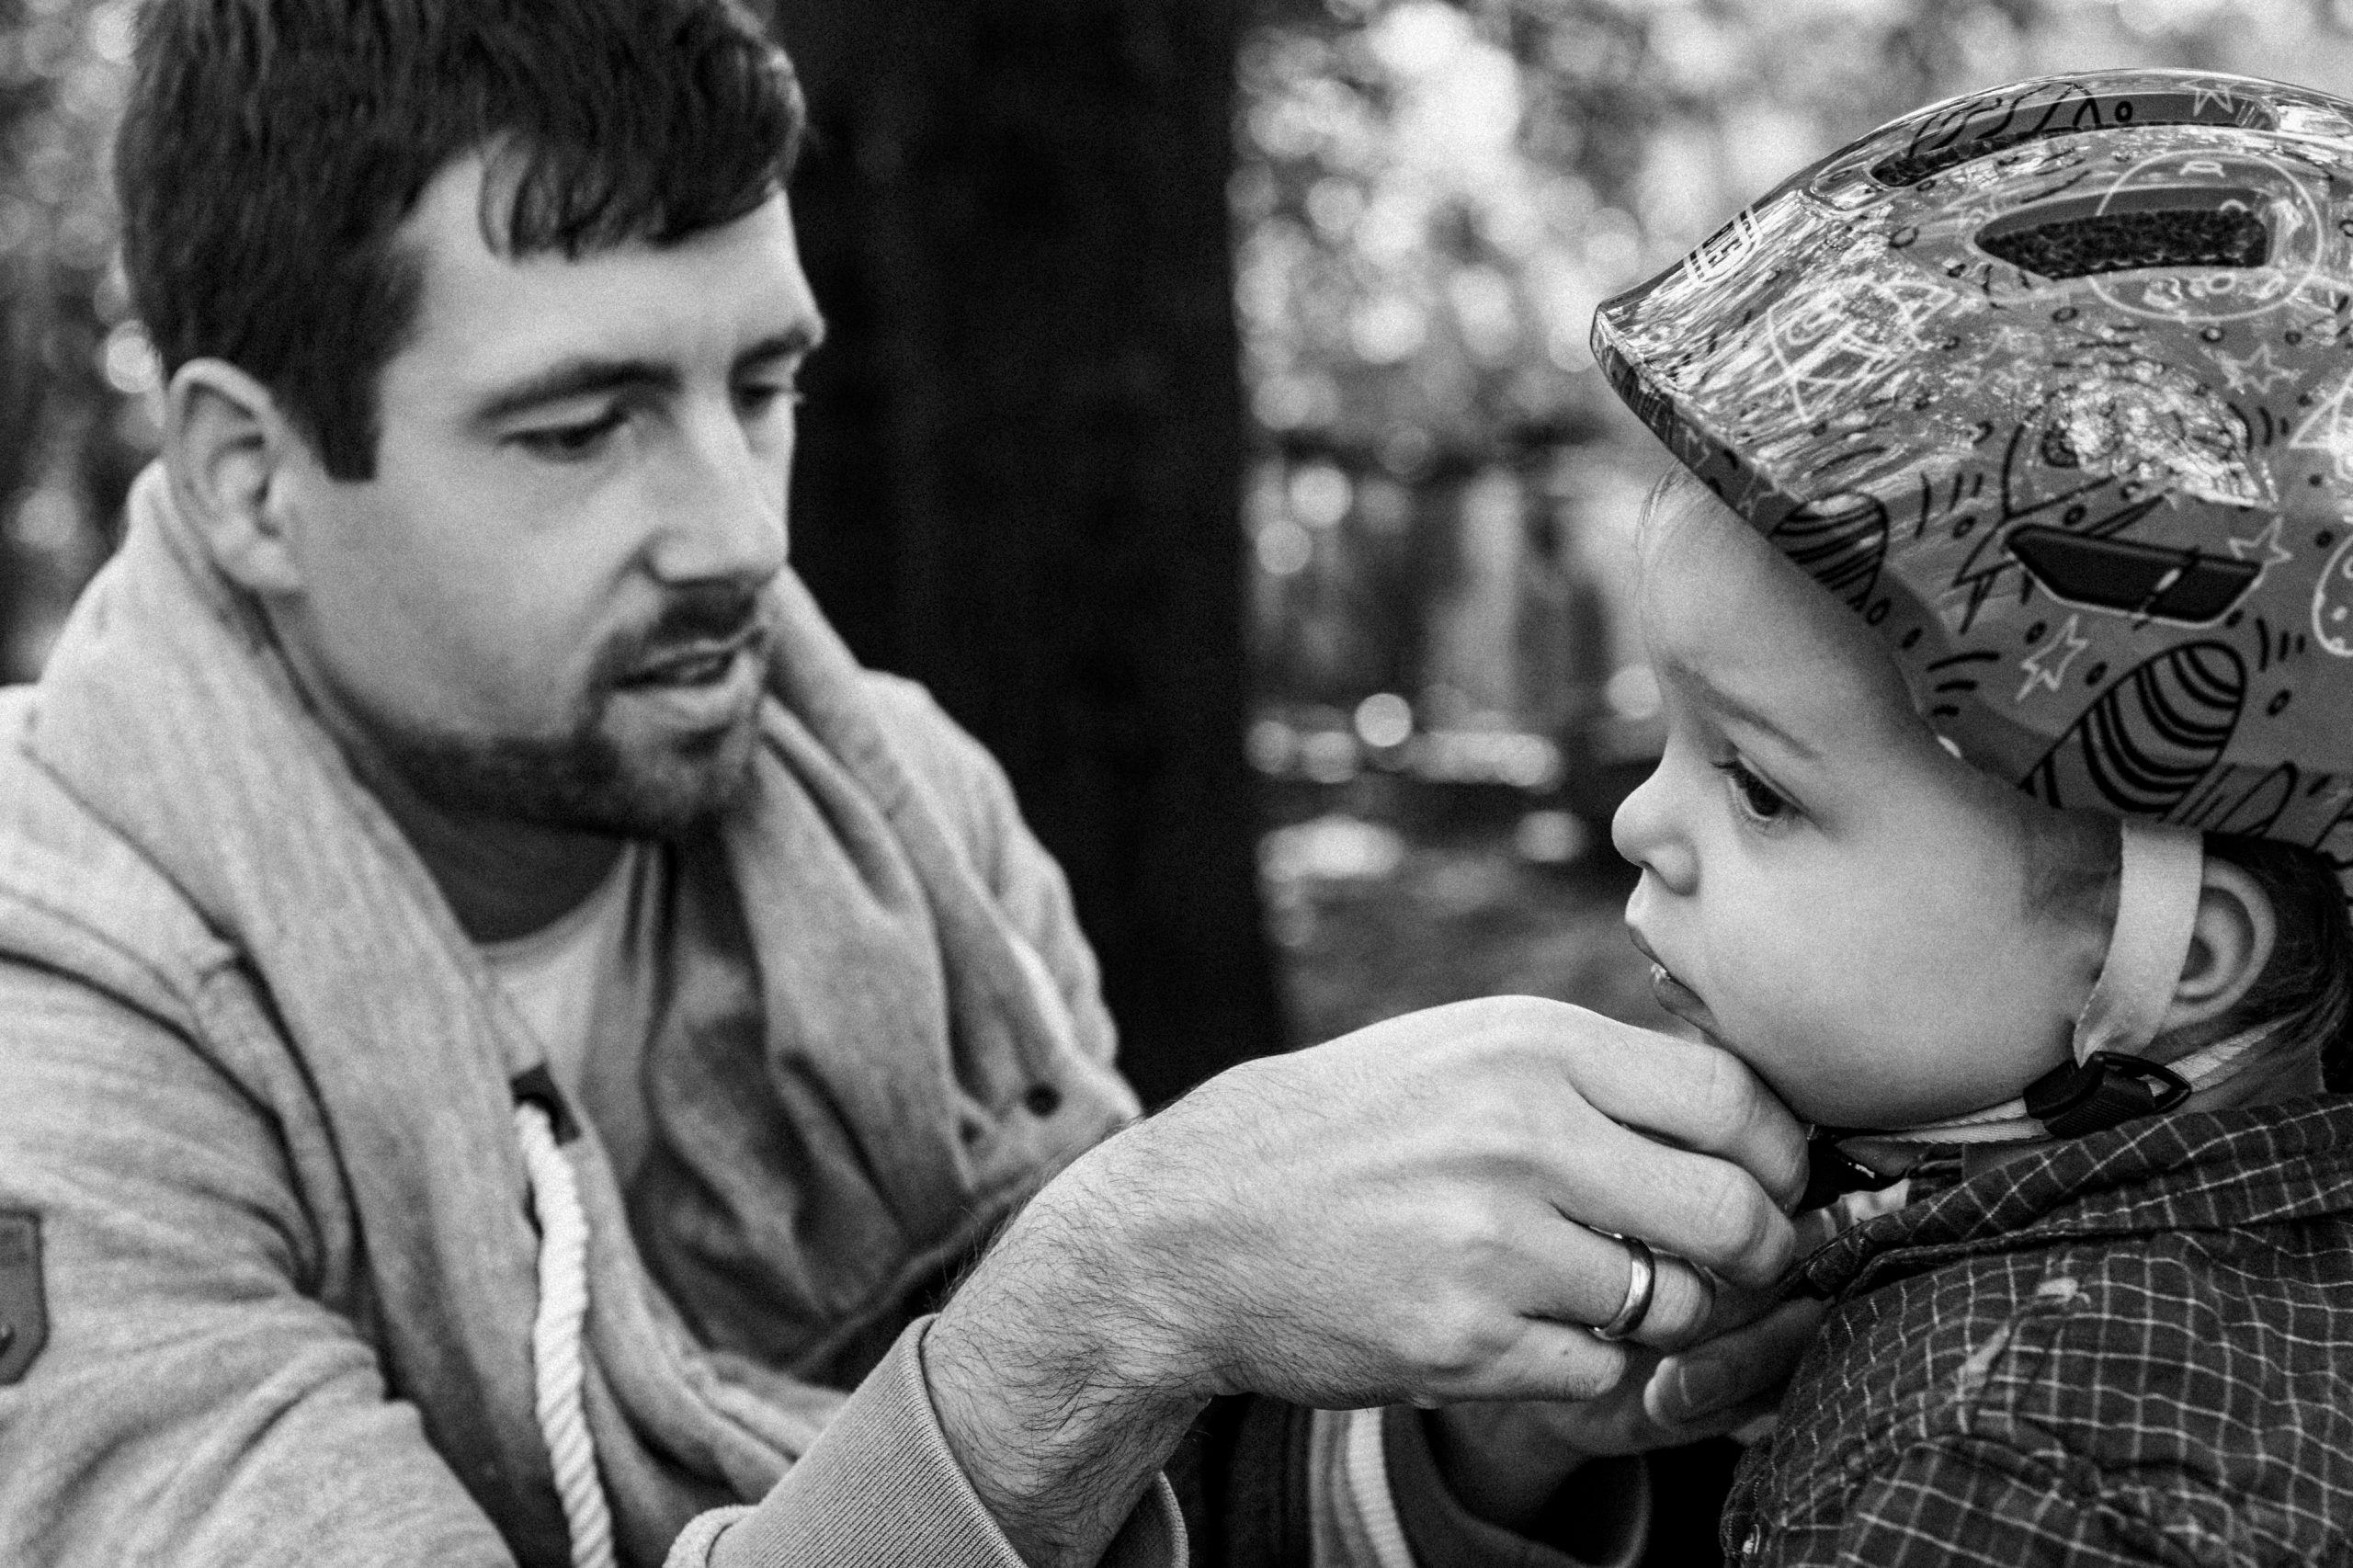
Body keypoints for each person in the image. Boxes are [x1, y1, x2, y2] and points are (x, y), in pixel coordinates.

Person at [0, 2, 1822, 1564]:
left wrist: (1489, 1423)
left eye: (764, 385)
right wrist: (1102, 1292)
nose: (733, 533)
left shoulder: (903, 811)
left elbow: (1153, 1506)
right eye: (580, 426)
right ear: (249, 478)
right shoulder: (58, 1014)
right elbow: (1091, 1365)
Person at [1592, 66, 2353, 1567]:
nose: (1636, 827)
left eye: (1758, 782)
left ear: (2170, 954)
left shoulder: (1990, 1474)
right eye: (1667, 737)